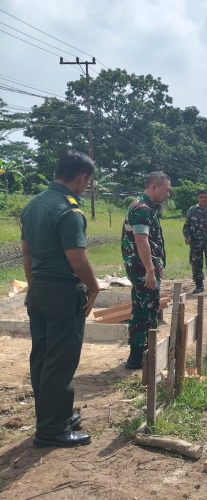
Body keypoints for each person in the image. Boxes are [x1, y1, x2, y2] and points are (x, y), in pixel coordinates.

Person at [21, 150, 100, 447]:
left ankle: (53, 416)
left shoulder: (32, 206)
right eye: (87, 182)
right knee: (61, 360)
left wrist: (34, 287)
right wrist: (94, 288)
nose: (86, 187)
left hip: (39, 290)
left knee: (41, 357)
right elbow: (78, 261)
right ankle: (52, 430)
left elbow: (27, 255)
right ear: (82, 178)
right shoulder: (69, 211)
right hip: (63, 293)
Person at [121, 172, 171, 369]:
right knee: (143, 312)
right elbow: (141, 241)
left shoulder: (146, 207)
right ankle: (136, 358)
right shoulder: (142, 208)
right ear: (153, 186)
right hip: (142, 269)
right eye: (166, 190)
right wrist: (150, 270)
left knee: (149, 310)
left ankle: (144, 354)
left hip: (145, 268)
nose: (168, 194)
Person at [182, 189, 207, 294]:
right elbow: (186, 227)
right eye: (201, 197)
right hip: (196, 243)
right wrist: (188, 238)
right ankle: (199, 285)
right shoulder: (192, 210)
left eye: (205, 197)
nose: (203, 199)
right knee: (196, 265)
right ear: (198, 198)